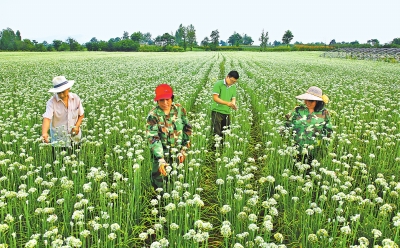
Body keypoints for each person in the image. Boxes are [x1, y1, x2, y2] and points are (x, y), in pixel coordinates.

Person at [146, 84, 192, 192]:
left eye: (167, 99)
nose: (165, 103)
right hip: (161, 154)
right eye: (161, 100)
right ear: (157, 101)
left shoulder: (179, 109)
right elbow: (153, 137)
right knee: (160, 182)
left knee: (178, 180)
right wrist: (160, 158)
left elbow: (187, 128)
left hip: (178, 153)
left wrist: (184, 148)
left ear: (172, 98)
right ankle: (161, 204)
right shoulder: (153, 115)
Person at [285, 86, 333, 165]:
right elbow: (286, 124)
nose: (307, 103)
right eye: (306, 100)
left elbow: (329, 132)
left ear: (317, 102)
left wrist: (325, 151)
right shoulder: (297, 110)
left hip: (315, 152)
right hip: (296, 149)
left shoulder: (324, 113)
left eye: (310, 101)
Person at [42, 76, 84, 156]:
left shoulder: (75, 98)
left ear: (68, 88)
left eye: (63, 91)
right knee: (59, 163)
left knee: (76, 161)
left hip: (75, 137)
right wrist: (44, 133)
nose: (61, 94)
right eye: (58, 92)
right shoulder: (51, 102)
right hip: (59, 140)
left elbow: (81, 115)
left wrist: (77, 126)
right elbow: (47, 118)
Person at [211, 71, 239, 143]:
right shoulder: (218, 84)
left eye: (234, 82)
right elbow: (215, 98)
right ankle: (215, 150)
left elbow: (233, 98)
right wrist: (227, 103)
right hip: (217, 111)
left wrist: (233, 105)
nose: (233, 83)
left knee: (226, 132)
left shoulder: (233, 86)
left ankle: (223, 149)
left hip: (227, 112)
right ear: (227, 77)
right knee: (217, 132)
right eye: (232, 81)